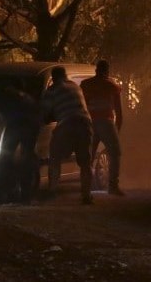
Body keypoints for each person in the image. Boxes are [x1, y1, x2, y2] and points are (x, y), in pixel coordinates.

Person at [39, 67, 93, 204]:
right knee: (85, 162)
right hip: (85, 124)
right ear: (65, 76)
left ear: (54, 77)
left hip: (67, 124)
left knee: (55, 157)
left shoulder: (51, 91)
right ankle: (86, 196)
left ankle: (52, 192)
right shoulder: (75, 86)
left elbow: (45, 114)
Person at [80, 59, 125, 196]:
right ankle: (113, 186)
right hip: (106, 122)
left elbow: (83, 106)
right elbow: (119, 112)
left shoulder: (86, 85)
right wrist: (117, 131)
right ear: (107, 71)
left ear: (96, 70)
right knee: (115, 153)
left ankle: (85, 190)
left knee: (88, 157)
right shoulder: (112, 86)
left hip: (90, 123)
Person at [0, 85, 40, 205]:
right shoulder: (27, 98)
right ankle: (25, 196)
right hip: (31, 127)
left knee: (3, 159)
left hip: (15, 126)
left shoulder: (3, 99)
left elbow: (2, 118)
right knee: (27, 159)